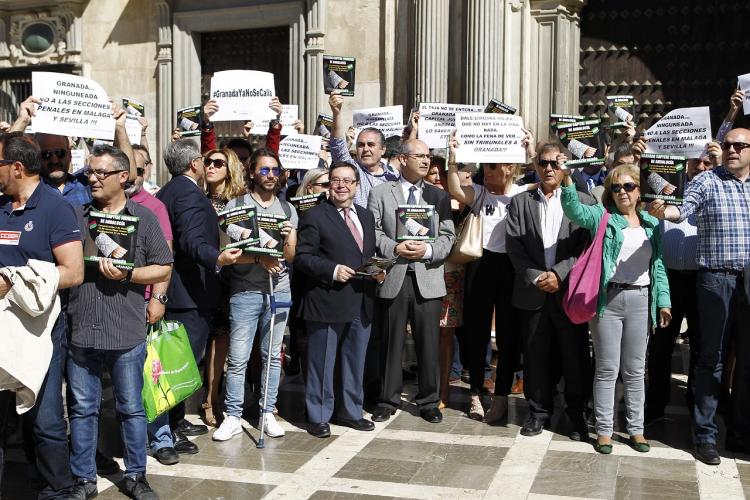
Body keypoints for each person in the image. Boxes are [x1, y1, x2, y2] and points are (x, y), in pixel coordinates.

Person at [67, 145, 171, 500]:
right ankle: (83, 479)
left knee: (131, 408)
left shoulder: (144, 218)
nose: (92, 179)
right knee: (82, 410)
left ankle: (136, 476)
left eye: (100, 173)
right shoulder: (76, 216)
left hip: (126, 332)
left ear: (123, 177)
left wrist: (129, 274)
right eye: (89, 173)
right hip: (81, 328)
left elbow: (164, 266)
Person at [648, 129, 750, 465]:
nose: (732, 150)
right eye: (728, 144)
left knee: (746, 360)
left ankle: (740, 431)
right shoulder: (707, 181)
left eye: (740, 145)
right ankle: (705, 435)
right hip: (715, 280)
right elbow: (684, 210)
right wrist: (666, 212)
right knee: (711, 357)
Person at [562, 162, 671, 454]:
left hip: (640, 299)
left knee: (635, 370)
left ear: (639, 191)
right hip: (607, 300)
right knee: (607, 368)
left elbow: (658, 265)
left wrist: (664, 301)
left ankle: (636, 430)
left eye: (629, 186)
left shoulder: (651, 222)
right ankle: (604, 431)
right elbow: (574, 210)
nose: (623, 192)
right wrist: (568, 178)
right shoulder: (603, 216)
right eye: (616, 187)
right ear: (610, 192)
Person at [0, 132, 83, 498]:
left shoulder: (54, 207)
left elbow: (73, 271)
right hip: (3, 329)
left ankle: (57, 489)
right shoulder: (1, 206)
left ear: (17, 168)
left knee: (46, 418)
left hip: (41, 330)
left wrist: (12, 280)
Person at [151, 139, 243, 456]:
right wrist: (217, 258)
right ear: (195, 164)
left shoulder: (167, 191)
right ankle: (168, 430)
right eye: (205, 161)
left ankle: (176, 421)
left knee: (177, 363)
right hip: (186, 295)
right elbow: (190, 240)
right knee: (177, 366)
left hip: (179, 293)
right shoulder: (188, 194)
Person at [505, 143, 594, 440]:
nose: (549, 169)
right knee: (535, 356)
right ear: (535, 164)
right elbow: (514, 246)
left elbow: (585, 247)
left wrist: (559, 274)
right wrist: (536, 276)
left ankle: (576, 414)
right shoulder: (520, 202)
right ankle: (537, 412)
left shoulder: (582, 200)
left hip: (569, 293)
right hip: (533, 292)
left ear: (564, 166)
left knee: (575, 357)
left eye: (556, 163)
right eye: (544, 163)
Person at [445, 129, 535, 421]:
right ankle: (474, 392)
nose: (488, 169)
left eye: (494, 165)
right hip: (481, 266)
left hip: (511, 268)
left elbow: (550, 184)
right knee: (477, 332)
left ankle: (501, 396)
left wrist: (531, 152)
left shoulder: (522, 193)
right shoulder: (481, 193)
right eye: (485, 164)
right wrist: (453, 159)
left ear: (510, 167)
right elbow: (457, 191)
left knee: (508, 336)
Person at [212, 147, 298, 441]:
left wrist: (291, 238)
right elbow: (227, 253)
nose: (271, 175)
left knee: (272, 356)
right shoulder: (236, 206)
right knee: (238, 358)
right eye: (264, 170)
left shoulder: (288, 210)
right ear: (252, 173)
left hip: (279, 289)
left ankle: (267, 411)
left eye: (275, 170)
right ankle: (233, 415)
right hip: (245, 290)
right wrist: (259, 258)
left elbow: (290, 257)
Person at [368, 139, 455, 423]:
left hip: (427, 276)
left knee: (429, 343)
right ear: (403, 159)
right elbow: (375, 232)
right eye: (420, 156)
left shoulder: (438, 195)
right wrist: (394, 247)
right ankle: (387, 399)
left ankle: (429, 401)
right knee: (391, 341)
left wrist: (428, 250)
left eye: (428, 156)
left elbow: (448, 236)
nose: (426, 161)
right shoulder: (380, 193)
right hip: (394, 274)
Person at [295, 163, 384, 438]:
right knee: (322, 362)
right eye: (335, 180)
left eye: (348, 181)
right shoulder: (315, 216)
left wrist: (378, 271)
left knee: (354, 361)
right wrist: (331, 270)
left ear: (357, 185)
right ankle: (319, 415)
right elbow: (302, 257)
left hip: (362, 299)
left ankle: (351, 411)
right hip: (327, 299)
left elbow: (364, 254)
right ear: (329, 185)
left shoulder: (366, 216)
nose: (342, 186)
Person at [644, 149, 718, 425]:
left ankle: (696, 404)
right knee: (661, 345)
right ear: (685, 162)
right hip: (668, 278)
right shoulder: (668, 187)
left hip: (702, 279)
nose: (700, 166)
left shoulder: (718, 189)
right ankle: (655, 404)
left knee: (702, 345)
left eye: (707, 162)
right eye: (696, 161)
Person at [10, 96, 138, 208]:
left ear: (70, 155)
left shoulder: (86, 183)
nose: (54, 160)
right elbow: (3, 170)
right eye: (46, 154)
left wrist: (119, 127)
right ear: (37, 157)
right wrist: (22, 121)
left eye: (60, 153)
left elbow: (129, 175)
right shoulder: (27, 186)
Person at [200, 147, 247, 428]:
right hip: (200, 273)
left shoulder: (239, 202)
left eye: (218, 163)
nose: (211, 166)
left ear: (229, 169)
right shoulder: (196, 197)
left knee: (221, 339)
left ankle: (211, 397)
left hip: (229, 275)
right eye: (207, 161)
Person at [328, 91, 399, 208]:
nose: (365, 149)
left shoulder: (393, 176)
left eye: (371, 144)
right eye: (361, 145)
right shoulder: (352, 169)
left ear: (383, 149)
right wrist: (337, 113)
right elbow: (337, 146)